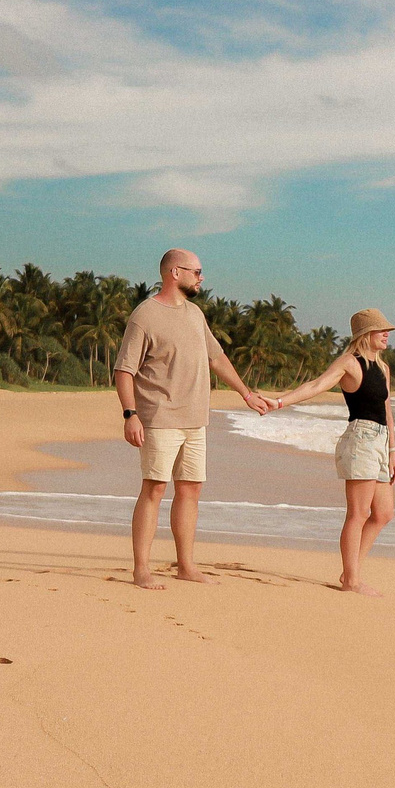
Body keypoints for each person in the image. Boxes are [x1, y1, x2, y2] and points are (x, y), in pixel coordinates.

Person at [113, 248, 273, 589]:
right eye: (196, 271)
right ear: (174, 272)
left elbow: (217, 358)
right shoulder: (145, 315)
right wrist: (130, 415)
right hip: (159, 416)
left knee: (191, 490)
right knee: (154, 489)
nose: (202, 277)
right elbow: (124, 371)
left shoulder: (195, 314)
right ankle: (141, 569)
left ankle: (185, 565)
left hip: (196, 419)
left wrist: (246, 393)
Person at [267, 308, 395, 594]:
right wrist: (280, 402)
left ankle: (350, 572)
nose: (387, 334)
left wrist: (393, 451)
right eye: (381, 329)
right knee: (359, 513)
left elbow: (387, 409)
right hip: (360, 440)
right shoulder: (350, 363)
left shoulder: (383, 368)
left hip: (380, 441)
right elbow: (316, 385)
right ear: (366, 334)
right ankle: (351, 580)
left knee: (384, 513)